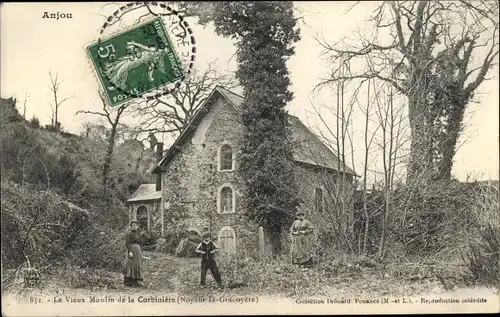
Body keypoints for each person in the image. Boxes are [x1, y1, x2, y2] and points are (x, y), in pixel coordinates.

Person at [123, 220, 144, 287]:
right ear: (131, 226)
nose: (135, 227)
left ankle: (136, 281)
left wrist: (141, 252)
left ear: (138, 226)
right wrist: (130, 251)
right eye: (133, 226)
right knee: (130, 264)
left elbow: (140, 243)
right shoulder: (129, 234)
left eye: (136, 225)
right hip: (132, 250)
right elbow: (127, 243)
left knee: (137, 264)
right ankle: (128, 282)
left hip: (138, 251)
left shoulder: (139, 234)